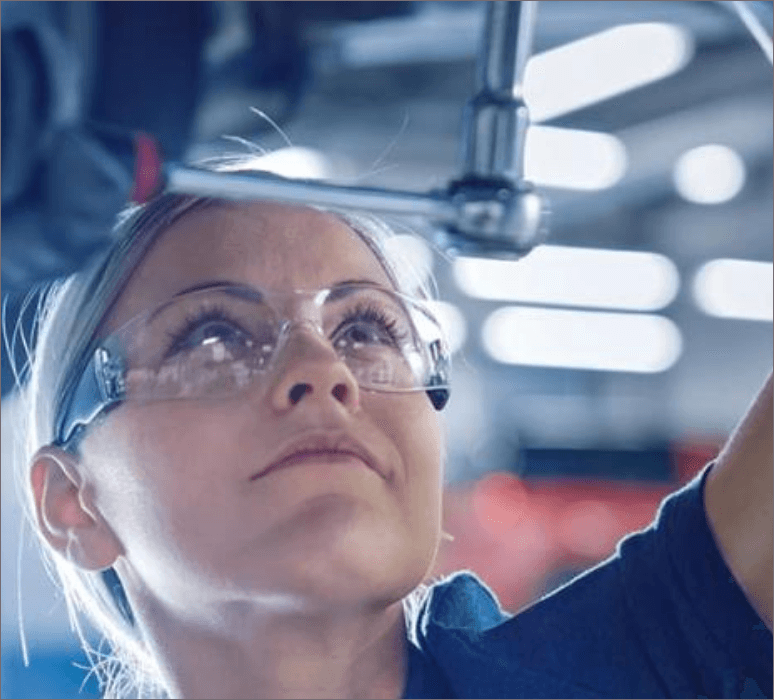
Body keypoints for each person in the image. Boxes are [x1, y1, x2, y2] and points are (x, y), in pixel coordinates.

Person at [13, 158, 772, 699]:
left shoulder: (651, 665)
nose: (323, 369)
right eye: (212, 337)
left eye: (367, 329)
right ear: (73, 502)